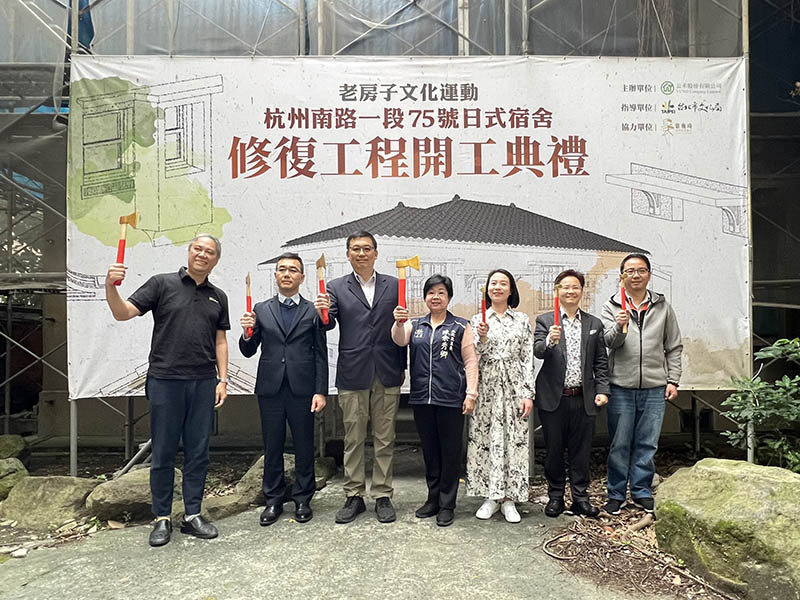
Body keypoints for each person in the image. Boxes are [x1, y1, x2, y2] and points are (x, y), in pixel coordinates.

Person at [105, 234, 230, 547]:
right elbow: (123, 312)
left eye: (210, 252)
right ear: (189, 252)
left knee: (199, 452)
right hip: (165, 381)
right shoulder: (161, 284)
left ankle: (192, 514)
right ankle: (161, 517)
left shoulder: (218, 296)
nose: (203, 254)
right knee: (163, 451)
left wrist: (223, 379)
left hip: (203, 382)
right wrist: (110, 286)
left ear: (216, 260)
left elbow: (220, 341)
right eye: (198, 249)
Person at [313, 231, 406, 524]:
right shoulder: (336, 287)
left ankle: (382, 495)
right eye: (356, 249)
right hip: (353, 371)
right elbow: (326, 324)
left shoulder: (395, 285)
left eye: (367, 248)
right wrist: (322, 312)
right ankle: (353, 495)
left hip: (387, 369)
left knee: (385, 437)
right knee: (353, 438)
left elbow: (402, 325)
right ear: (348, 254)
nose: (361, 253)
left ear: (376, 253)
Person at [239, 253, 327, 526]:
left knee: (304, 445)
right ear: (276, 275)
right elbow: (248, 350)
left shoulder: (313, 310)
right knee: (272, 445)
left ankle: (303, 498)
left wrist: (320, 391)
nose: (287, 274)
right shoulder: (261, 309)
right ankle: (273, 500)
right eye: (282, 269)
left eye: (293, 270)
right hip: (271, 388)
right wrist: (246, 333)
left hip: (303, 388)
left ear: (302, 277)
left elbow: (320, 353)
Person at [391, 275, 478, 527]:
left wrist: (471, 394)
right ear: (425, 297)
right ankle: (433, 499)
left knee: (450, 452)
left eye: (441, 292)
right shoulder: (416, 325)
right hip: (422, 398)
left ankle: (447, 503)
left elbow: (470, 361)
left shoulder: (461, 326)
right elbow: (399, 339)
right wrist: (398, 322)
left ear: (449, 297)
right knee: (430, 451)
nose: (436, 297)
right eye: (431, 293)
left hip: (451, 398)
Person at [601, 254, 682, 515]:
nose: (636, 275)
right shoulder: (611, 306)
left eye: (641, 270)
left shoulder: (662, 306)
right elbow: (609, 342)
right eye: (630, 271)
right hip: (620, 386)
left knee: (647, 443)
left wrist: (673, 380)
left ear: (649, 274)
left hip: (655, 386)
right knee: (620, 444)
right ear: (622, 276)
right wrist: (619, 326)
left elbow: (674, 346)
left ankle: (641, 491)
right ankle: (616, 494)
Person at [534, 269, 609, 518]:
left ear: (581, 291)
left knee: (581, 451)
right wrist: (550, 341)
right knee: (554, 451)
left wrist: (602, 390)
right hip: (553, 398)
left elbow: (600, 361)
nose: (570, 291)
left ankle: (580, 497)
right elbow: (538, 351)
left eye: (575, 286)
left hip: (583, 398)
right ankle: (555, 496)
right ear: (557, 291)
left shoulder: (593, 324)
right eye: (565, 287)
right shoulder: (545, 321)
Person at [465, 269, 534, 523]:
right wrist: (482, 337)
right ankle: (490, 496)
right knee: (487, 438)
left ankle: (509, 499)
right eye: (493, 283)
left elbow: (527, 358)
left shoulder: (522, 319)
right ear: (487, 289)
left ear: (510, 289)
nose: (497, 287)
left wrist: (527, 393)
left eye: (503, 283)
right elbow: (474, 355)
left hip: (514, 385)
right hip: (487, 386)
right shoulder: (477, 319)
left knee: (513, 439)